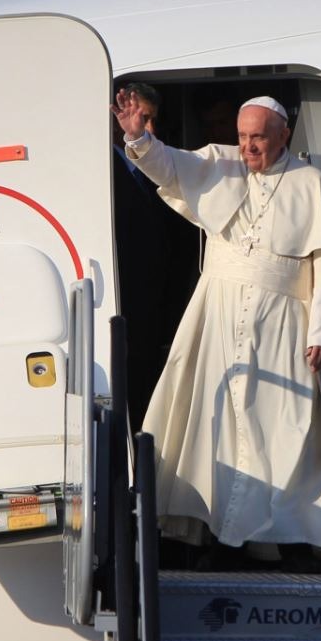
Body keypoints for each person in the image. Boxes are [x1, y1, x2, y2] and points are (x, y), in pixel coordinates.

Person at [115, 91, 321, 569]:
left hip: (283, 326)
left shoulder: (313, 184)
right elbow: (168, 166)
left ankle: (292, 543)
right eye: (243, 137)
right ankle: (216, 539)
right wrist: (137, 137)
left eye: (258, 137)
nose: (248, 147)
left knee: (283, 431)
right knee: (216, 426)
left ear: (283, 135)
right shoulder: (219, 164)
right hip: (218, 318)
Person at [110, 80, 193, 429]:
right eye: (143, 118)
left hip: (155, 308)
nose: (151, 129)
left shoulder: (160, 168)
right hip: (121, 304)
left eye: (153, 120)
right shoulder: (102, 171)